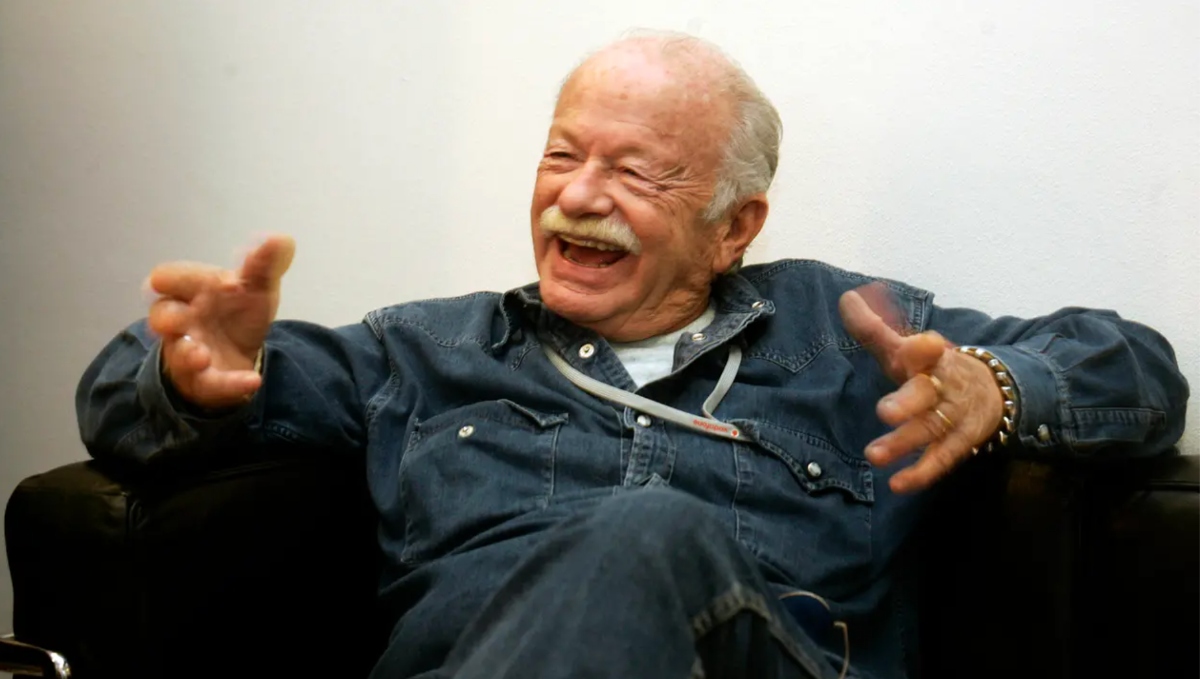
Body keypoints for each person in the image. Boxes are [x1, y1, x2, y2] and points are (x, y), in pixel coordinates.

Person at [77, 32, 1188, 679]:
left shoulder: (843, 332)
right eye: (561, 156)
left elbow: (1136, 368)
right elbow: (122, 407)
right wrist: (181, 376)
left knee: (643, 532)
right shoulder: (424, 350)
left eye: (636, 173)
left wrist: (998, 387)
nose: (579, 195)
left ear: (734, 226)